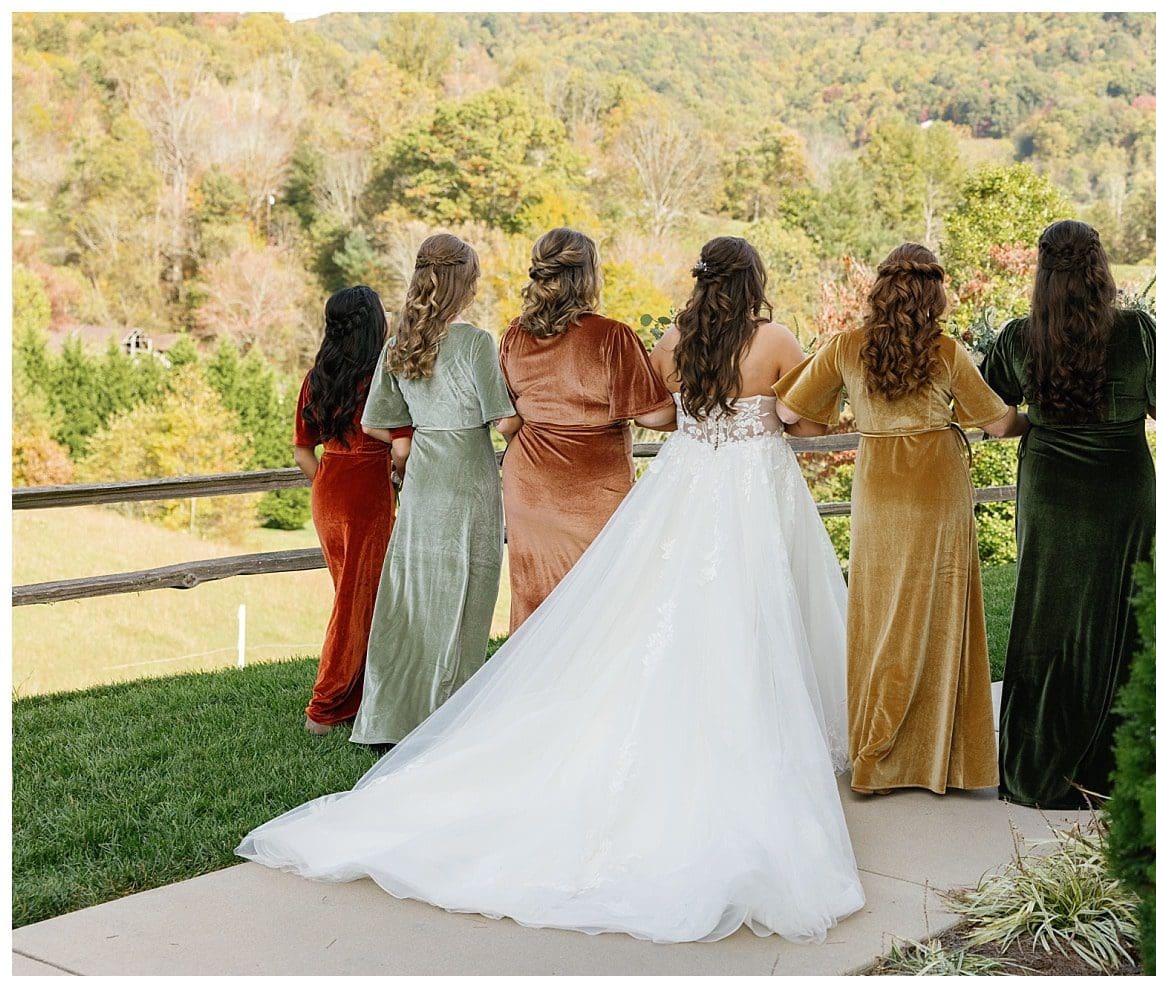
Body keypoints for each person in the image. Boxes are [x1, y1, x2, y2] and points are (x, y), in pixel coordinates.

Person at [237, 235, 864, 944]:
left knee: (645, 607)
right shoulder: (771, 339)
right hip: (728, 487)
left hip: (661, 484)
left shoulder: (667, 338)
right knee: (752, 608)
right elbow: (797, 417)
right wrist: (781, 414)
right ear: (755, 279)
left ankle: (571, 712)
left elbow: (656, 404)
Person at [775, 242, 1027, 795]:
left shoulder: (845, 346)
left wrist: (821, 425)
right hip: (938, 484)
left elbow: (790, 412)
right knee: (940, 610)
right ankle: (943, 761)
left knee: (880, 612)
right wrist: (1037, 421)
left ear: (880, 290)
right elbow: (999, 423)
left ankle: (879, 757)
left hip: (879, 486)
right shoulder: (947, 351)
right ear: (934, 294)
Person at [979, 220, 1156, 808]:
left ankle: (1038, 771)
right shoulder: (1139, 332)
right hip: (1122, 489)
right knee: (1122, 614)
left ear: (1043, 272)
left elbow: (992, 418)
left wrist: (1034, 424)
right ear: (1100, 268)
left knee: (1047, 617)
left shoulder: (1020, 337)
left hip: (1051, 490)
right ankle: (1115, 772)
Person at [351, 234, 519, 748]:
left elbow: (375, 421)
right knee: (466, 592)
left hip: (424, 479)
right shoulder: (475, 344)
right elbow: (507, 423)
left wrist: (419, 432)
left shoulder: (398, 345)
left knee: (415, 593)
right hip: (467, 477)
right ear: (464, 284)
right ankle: (448, 719)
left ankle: (392, 714)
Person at [498, 228, 676, 631]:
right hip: (593, 489)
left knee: (536, 597)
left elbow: (508, 419)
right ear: (587, 276)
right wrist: (700, 411)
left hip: (529, 484)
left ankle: (530, 685)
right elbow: (652, 415)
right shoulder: (613, 337)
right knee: (603, 598)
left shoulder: (514, 335)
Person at [291, 286, 409, 735]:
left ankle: (360, 694)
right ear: (374, 325)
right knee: (356, 603)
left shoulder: (316, 376)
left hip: (328, 492)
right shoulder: (380, 378)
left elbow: (304, 451)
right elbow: (401, 448)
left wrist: (327, 481)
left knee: (354, 596)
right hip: (366, 493)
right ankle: (326, 706)